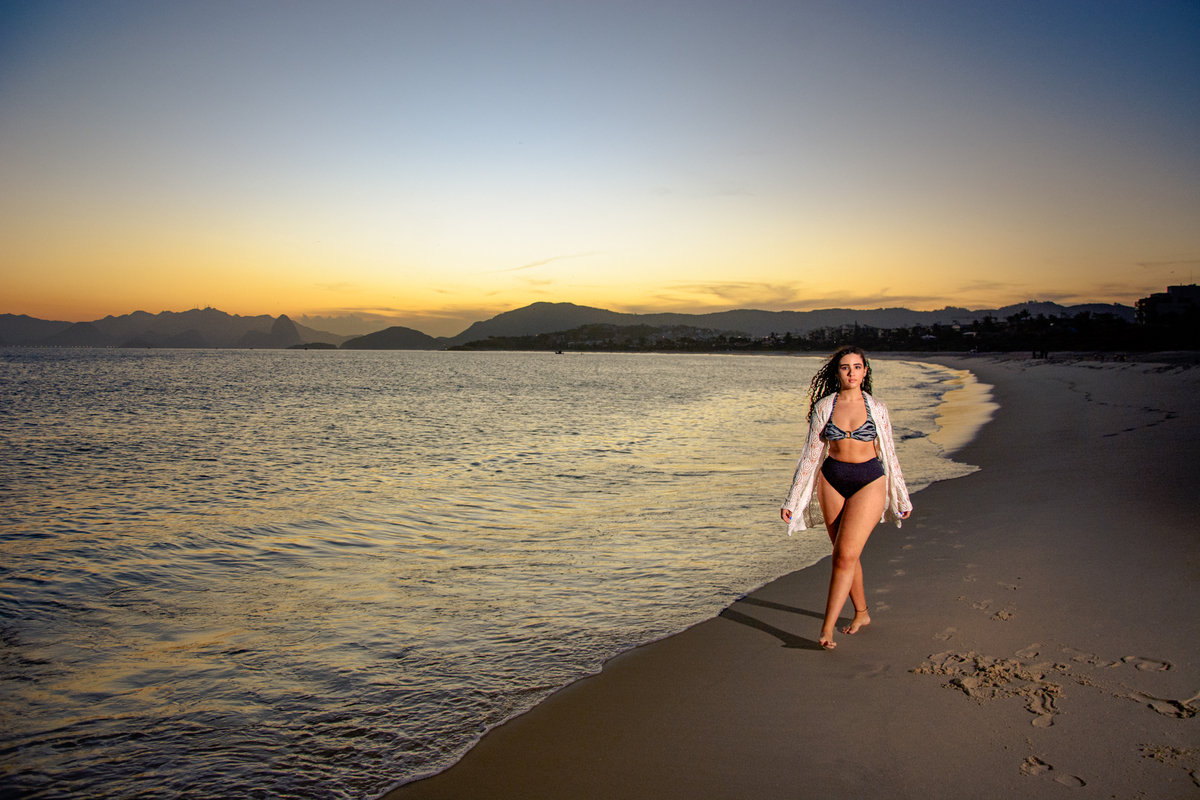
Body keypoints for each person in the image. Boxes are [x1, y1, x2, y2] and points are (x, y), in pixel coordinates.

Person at [780, 346, 912, 650]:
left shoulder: (877, 408)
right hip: (832, 480)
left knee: (843, 556)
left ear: (865, 371)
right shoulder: (824, 407)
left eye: (857, 366)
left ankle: (827, 628)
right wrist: (792, 499)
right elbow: (810, 456)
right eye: (845, 367)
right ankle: (862, 613)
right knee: (845, 554)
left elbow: (890, 455)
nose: (851, 372)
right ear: (837, 372)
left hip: (869, 481)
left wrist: (901, 498)